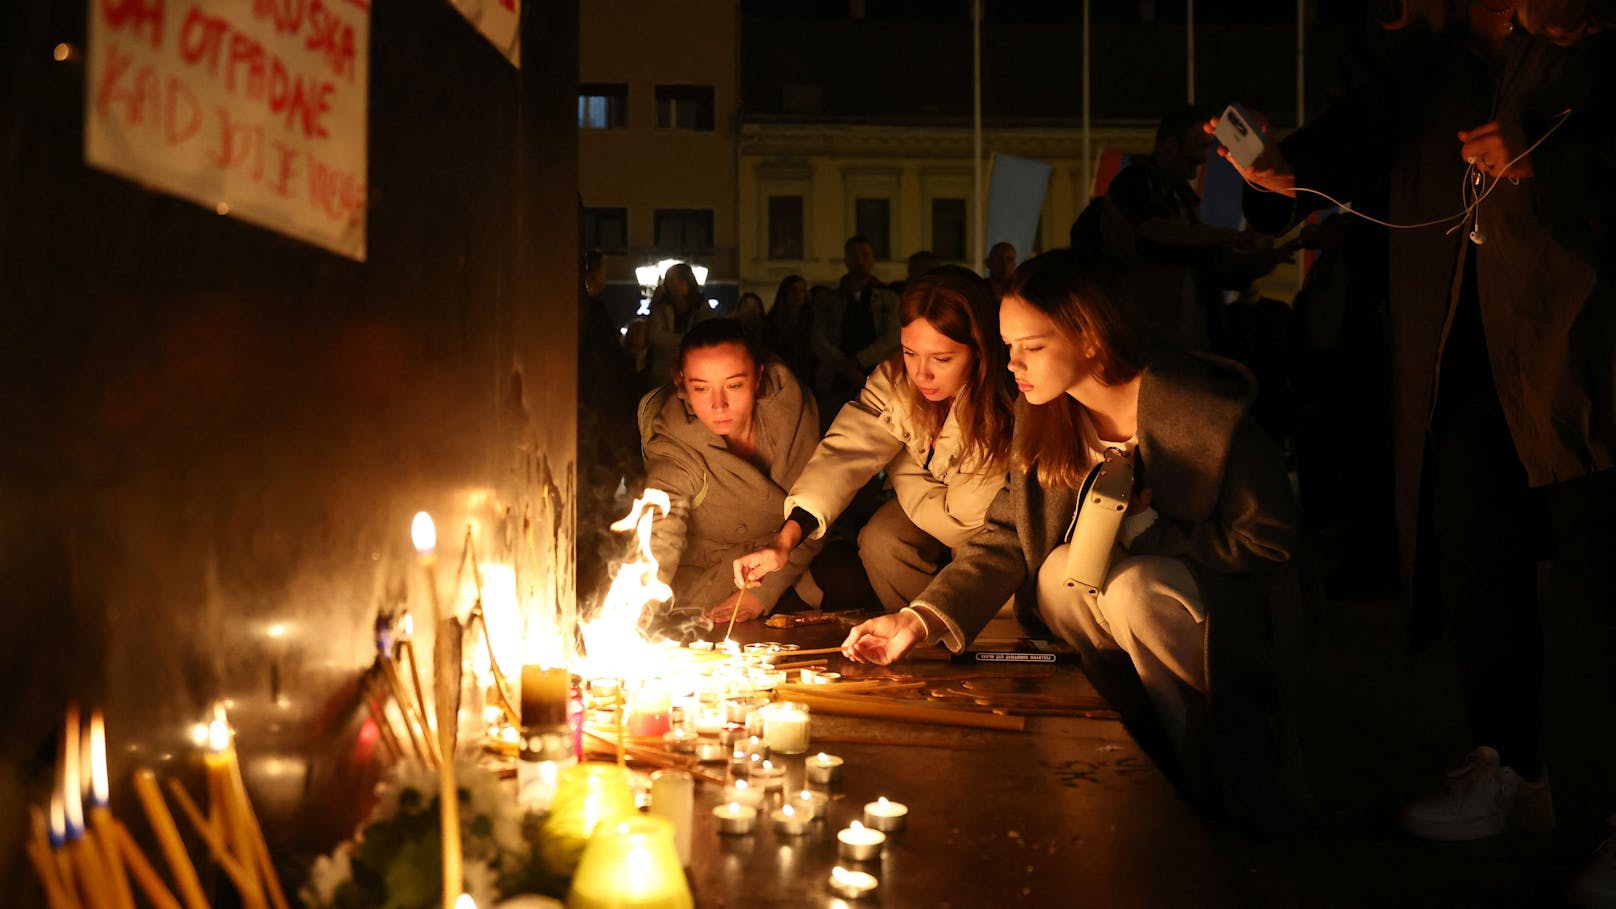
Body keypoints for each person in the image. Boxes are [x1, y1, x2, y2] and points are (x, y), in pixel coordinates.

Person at [1218, 0, 1616, 878]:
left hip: (1585, 346)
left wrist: (1543, 166)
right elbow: (1368, 138)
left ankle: (1602, 810)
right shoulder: (1432, 57)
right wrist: (1289, 169)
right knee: (1474, 542)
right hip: (1463, 339)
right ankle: (1511, 762)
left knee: (1599, 572)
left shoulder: (1584, 39)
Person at [839, 250, 1304, 814]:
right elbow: (1007, 536)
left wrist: (1146, 530)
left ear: (1090, 337)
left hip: (1218, 611)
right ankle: (1131, 729)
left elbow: (1269, 540)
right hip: (1115, 622)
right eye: (1009, 347)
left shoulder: (1196, 407)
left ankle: (1206, 753)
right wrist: (917, 620)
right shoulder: (1048, 417)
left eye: (1032, 348)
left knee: (1132, 585)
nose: (1013, 365)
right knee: (1057, 572)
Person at [733, 266, 1016, 617]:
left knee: (984, 582)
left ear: (978, 349)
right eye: (910, 352)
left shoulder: (1006, 401)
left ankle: (970, 635)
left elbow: (959, 522)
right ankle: (922, 637)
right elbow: (844, 454)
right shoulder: (895, 380)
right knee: (882, 540)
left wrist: (900, 464)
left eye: (941, 359)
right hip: (929, 507)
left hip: (993, 529)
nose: (921, 373)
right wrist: (784, 541)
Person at [639, 319, 824, 629]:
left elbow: (820, 500)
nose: (718, 405)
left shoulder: (790, 411)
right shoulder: (676, 439)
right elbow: (661, 527)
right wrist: (637, 609)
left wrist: (761, 594)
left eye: (734, 385)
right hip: (713, 576)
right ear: (681, 383)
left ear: (758, 377)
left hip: (794, 559)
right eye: (701, 388)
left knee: (846, 580)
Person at [1072, 104, 1291, 351]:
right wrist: (1231, 240)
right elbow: (1158, 241)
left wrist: (1258, 260)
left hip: (1179, 333)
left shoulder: (1179, 193)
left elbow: (1197, 261)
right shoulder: (1136, 184)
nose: (1204, 158)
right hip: (1150, 335)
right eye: (1199, 146)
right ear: (1172, 144)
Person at [577, 249, 644, 607]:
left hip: (598, 425)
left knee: (595, 517)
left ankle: (589, 601)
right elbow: (603, 377)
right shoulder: (588, 316)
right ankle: (586, 599)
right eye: (600, 274)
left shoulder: (592, 315)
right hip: (595, 425)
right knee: (591, 517)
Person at [645, 262, 714, 387]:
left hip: (697, 370)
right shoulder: (660, 307)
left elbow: (705, 336)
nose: (676, 285)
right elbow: (656, 338)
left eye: (681, 280)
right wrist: (688, 339)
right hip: (664, 373)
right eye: (672, 281)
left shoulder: (701, 307)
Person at [765, 274, 816, 383]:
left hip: (807, 377)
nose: (797, 294)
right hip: (780, 376)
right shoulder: (771, 323)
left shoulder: (811, 321)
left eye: (802, 290)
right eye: (793, 290)